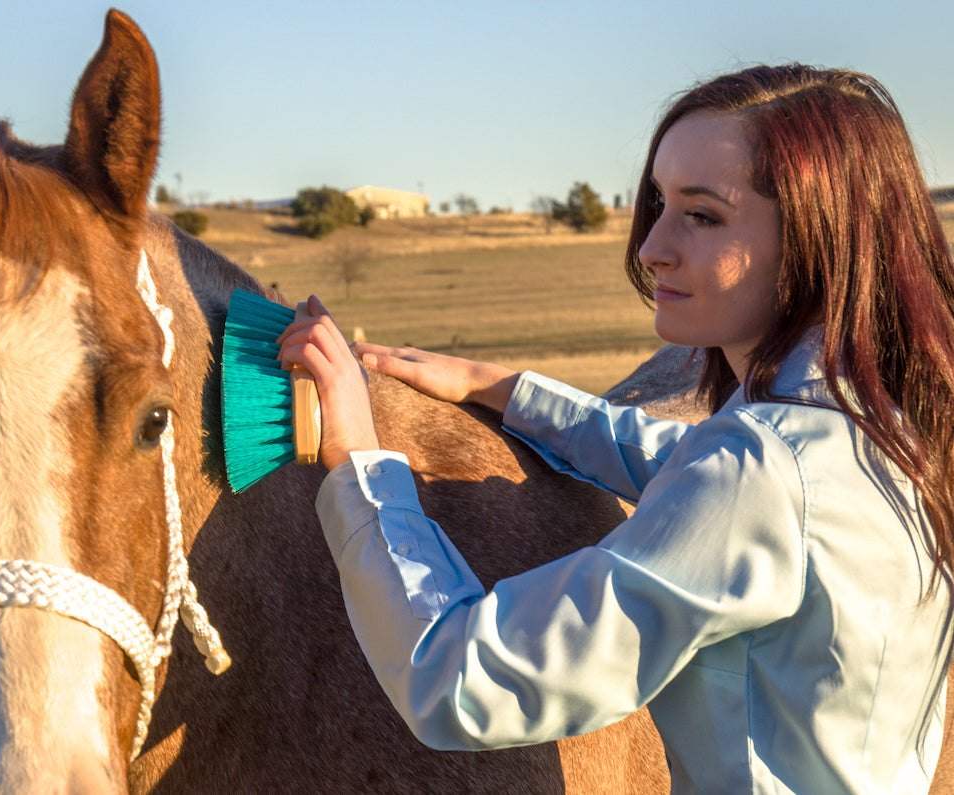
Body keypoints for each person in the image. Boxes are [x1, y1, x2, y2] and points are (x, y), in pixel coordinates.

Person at [276, 64, 954, 793]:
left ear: (814, 239)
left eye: (702, 214)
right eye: (659, 203)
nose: (651, 246)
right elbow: (683, 459)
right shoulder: (885, 429)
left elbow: (464, 678)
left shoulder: (764, 471)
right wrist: (501, 388)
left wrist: (358, 465)